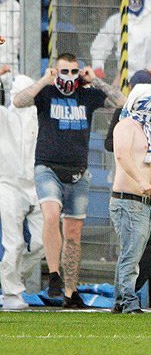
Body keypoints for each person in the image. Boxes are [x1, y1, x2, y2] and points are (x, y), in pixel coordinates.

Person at [13, 53, 126, 308]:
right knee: (51, 215)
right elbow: (18, 101)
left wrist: (94, 80)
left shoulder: (86, 95)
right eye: (65, 72)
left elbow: (122, 101)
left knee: (73, 234)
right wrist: (44, 79)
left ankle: (70, 293)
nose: (70, 77)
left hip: (78, 172)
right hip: (48, 167)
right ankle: (54, 274)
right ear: (56, 71)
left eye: (74, 72)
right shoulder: (46, 93)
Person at [109, 84, 151, 314]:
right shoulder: (126, 125)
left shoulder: (147, 128)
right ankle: (128, 300)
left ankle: (121, 299)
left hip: (142, 202)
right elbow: (122, 155)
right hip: (127, 199)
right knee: (131, 252)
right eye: (148, 100)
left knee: (133, 252)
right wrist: (140, 181)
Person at [0, 74, 43, 310]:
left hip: (37, 184)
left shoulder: (42, 114)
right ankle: (11, 292)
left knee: (41, 242)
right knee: (13, 242)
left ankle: (9, 277)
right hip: (8, 183)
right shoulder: (4, 116)